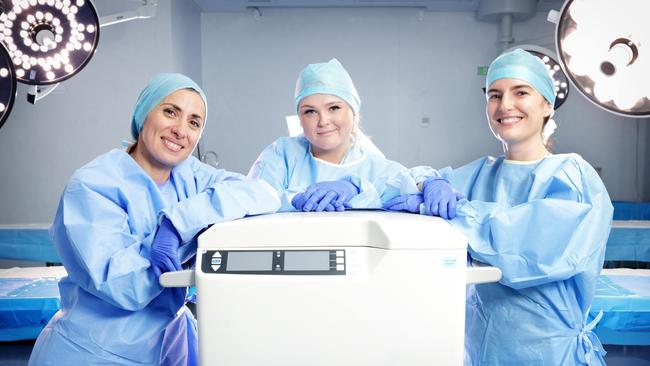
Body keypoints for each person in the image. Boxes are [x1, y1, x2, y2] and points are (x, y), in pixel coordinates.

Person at [28, 73, 280, 366]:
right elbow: (122, 285)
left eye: (194, 122)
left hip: (166, 345)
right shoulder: (92, 185)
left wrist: (176, 225)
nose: (180, 130)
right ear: (144, 113)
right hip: (93, 351)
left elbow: (262, 191)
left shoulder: (192, 175)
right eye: (170, 112)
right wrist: (191, 235)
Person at [398, 49, 613, 365]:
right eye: (494, 95)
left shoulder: (572, 176)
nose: (505, 105)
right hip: (484, 350)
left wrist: (454, 211)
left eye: (521, 92)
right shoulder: (479, 173)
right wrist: (428, 183)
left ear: (547, 104)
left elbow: (529, 247)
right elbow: (404, 181)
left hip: (549, 353)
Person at [248, 58, 457, 216]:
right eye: (310, 111)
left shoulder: (376, 168)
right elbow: (251, 197)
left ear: (354, 111)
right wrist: (296, 199)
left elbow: (409, 181)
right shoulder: (281, 155)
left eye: (334, 108)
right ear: (300, 117)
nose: (323, 121)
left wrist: (433, 182)